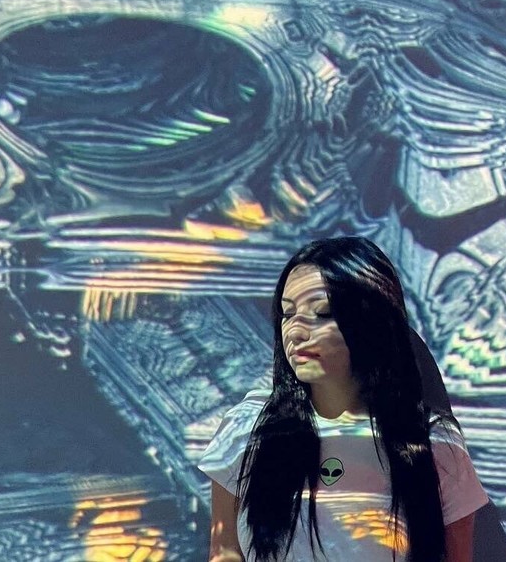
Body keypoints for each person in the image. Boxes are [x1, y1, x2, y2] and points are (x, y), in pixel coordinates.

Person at [197, 236, 488, 561]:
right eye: (287, 313)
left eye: (322, 313)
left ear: (371, 321)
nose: (296, 332)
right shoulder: (247, 427)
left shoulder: (432, 443)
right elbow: (224, 552)